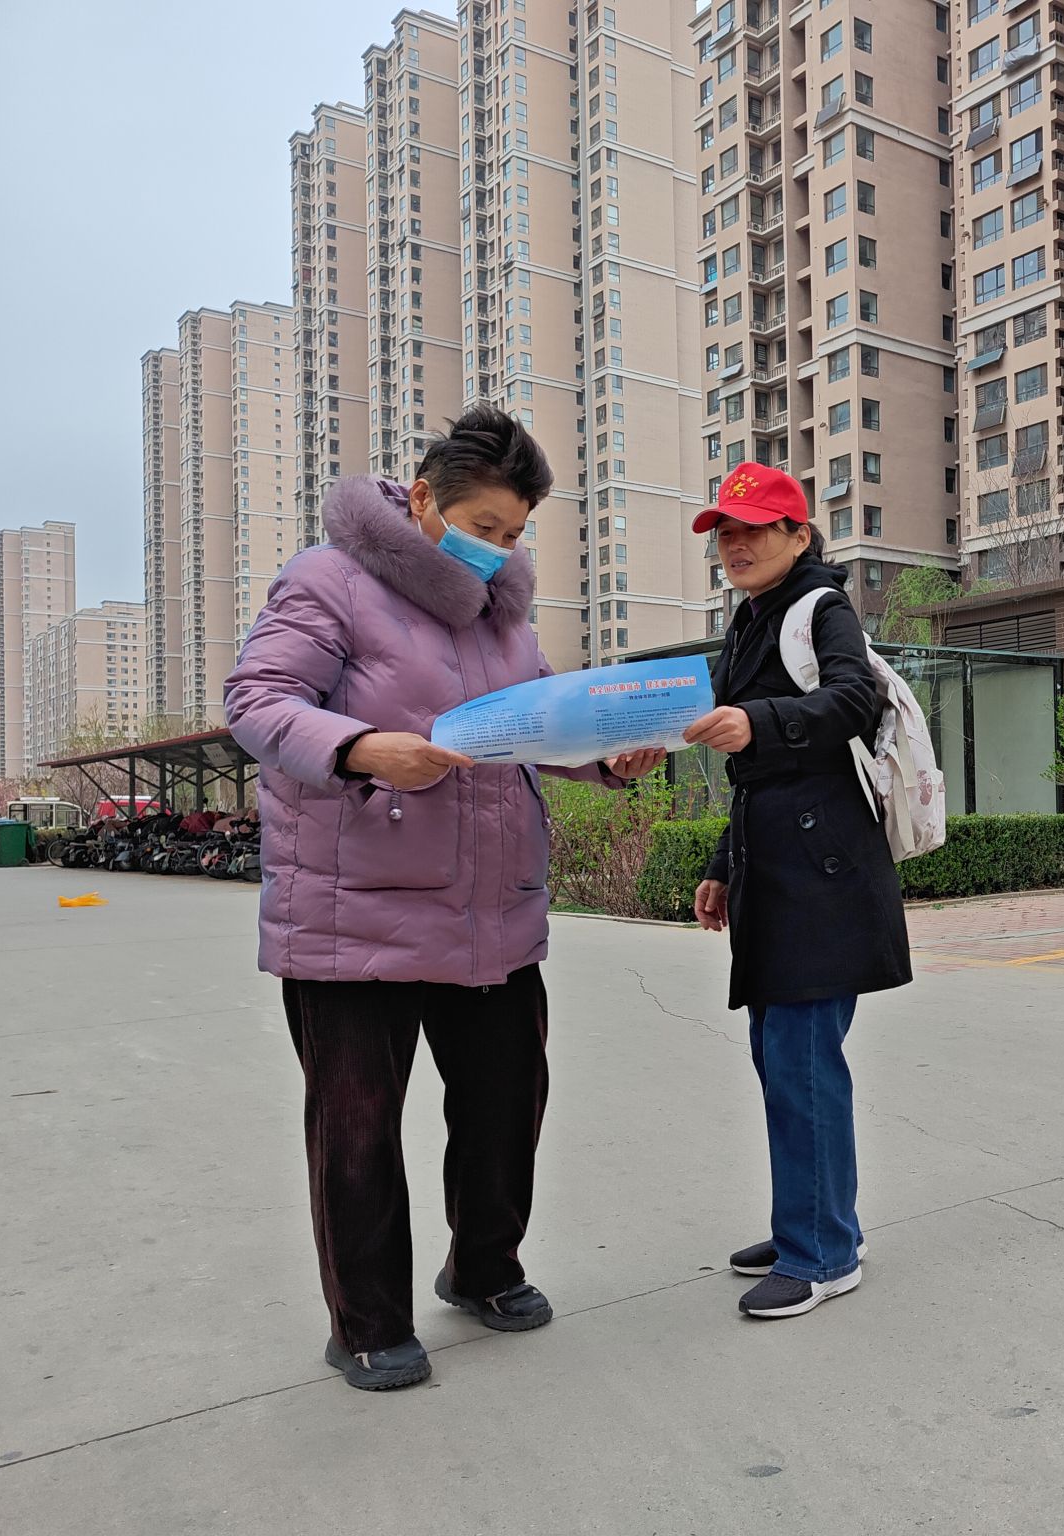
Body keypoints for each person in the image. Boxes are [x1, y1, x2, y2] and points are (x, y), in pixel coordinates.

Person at [224, 406, 667, 1390]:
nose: (498, 548)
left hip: (490, 908)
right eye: (483, 526)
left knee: (506, 1106)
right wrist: (361, 748)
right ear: (423, 500)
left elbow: (537, 724)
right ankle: (367, 1323)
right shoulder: (329, 580)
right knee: (358, 1129)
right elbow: (256, 702)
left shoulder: (504, 612)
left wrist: (610, 757)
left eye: (514, 533)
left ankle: (484, 1271)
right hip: (353, 912)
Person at [685, 462, 912, 1319]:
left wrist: (760, 721)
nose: (735, 545)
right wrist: (722, 864)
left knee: (804, 1065)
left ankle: (823, 1255)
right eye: (725, 533)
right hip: (774, 869)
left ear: (799, 534)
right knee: (781, 1061)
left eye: (753, 529)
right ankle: (809, 1224)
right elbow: (754, 777)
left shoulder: (821, 607)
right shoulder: (750, 621)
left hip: (822, 874)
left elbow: (856, 701)